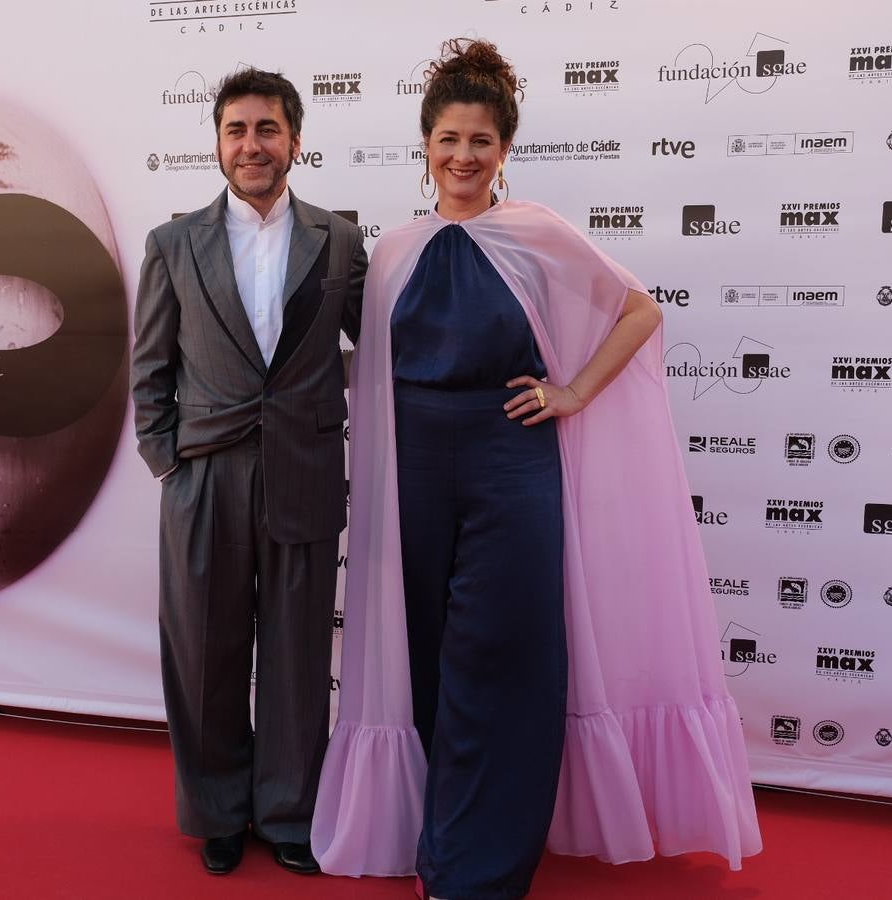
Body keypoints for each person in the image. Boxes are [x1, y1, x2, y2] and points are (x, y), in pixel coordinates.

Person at [310, 39, 761, 899]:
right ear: (425, 145)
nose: (463, 157)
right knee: (427, 656)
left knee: (503, 657)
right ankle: (435, 834)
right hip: (412, 475)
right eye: (448, 139)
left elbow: (639, 309)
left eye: (480, 141)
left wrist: (573, 392)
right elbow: (364, 367)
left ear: (504, 151)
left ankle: (479, 865)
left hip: (510, 466)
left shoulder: (535, 233)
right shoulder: (396, 250)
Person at [131, 68, 367, 876]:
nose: (251, 145)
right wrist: (170, 461)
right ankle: (219, 810)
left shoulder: (338, 239)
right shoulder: (172, 243)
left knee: (300, 655)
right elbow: (149, 369)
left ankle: (290, 810)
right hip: (204, 477)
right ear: (218, 142)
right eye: (236, 129)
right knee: (205, 652)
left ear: (295, 140)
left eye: (267, 129)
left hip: (303, 469)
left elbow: (384, 341)